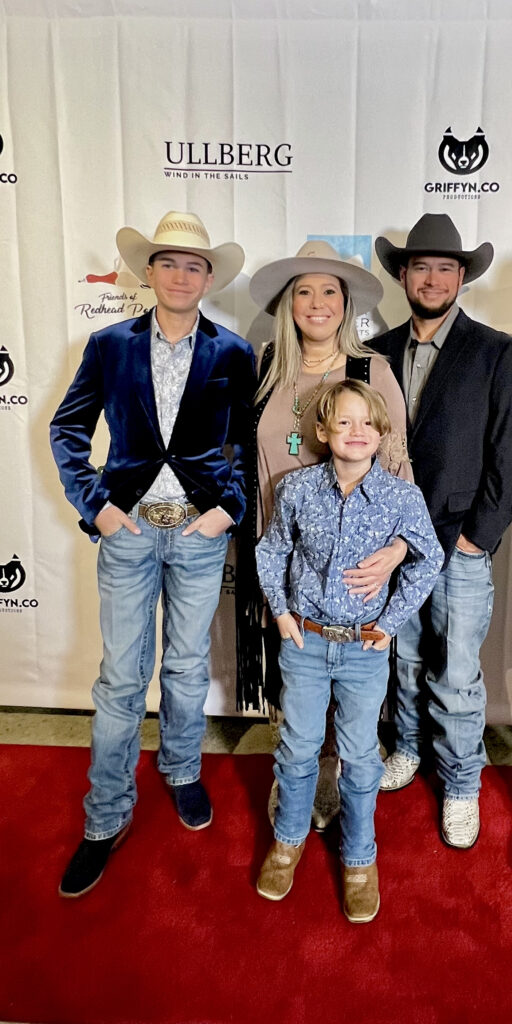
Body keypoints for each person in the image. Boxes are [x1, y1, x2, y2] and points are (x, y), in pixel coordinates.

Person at [50, 211, 256, 897]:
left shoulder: (232, 352)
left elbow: (247, 445)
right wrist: (98, 507)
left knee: (190, 664)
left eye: (193, 265)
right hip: (130, 531)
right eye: (167, 263)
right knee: (119, 677)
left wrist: (228, 509)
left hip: (199, 535)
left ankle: (181, 768)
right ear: (148, 273)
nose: (179, 275)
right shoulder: (109, 345)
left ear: (208, 278)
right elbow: (68, 426)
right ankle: (105, 816)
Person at [370, 214, 512, 848]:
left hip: (459, 541)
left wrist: (478, 537)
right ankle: (408, 747)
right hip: (392, 544)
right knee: (404, 658)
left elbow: (509, 454)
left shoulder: (499, 352)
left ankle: (462, 781)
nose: (432, 278)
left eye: (445, 268)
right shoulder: (374, 353)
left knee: (457, 674)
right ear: (402, 276)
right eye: (420, 267)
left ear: (461, 278)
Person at [236, 241, 412, 830]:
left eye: (329, 291)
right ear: (289, 305)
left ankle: (333, 770)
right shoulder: (266, 365)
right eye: (304, 291)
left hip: (349, 563)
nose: (316, 303)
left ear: (346, 303)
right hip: (278, 544)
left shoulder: (370, 370)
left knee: (343, 676)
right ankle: (298, 770)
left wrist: (398, 550)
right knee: (295, 667)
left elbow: (398, 468)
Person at [255, 380, 443, 922]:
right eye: (343, 422)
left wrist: (390, 621)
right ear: (322, 432)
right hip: (306, 643)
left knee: (361, 757)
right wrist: (283, 614)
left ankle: (359, 858)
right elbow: (272, 551)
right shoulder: (296, 490)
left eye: (367, 423)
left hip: (364, 649)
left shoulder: (401, 497)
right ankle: (288, 841)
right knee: (297, 748)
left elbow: (427, 558)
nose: (356, 432)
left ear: (382, 433)